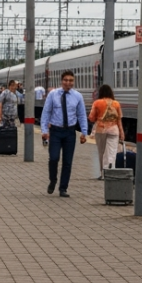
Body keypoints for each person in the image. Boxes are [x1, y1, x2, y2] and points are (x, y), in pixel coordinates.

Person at [40, 70, 89, 198]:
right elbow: (46, 113)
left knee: (67, 161)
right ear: (61, 81)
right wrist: (44, 131)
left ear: (73, 81)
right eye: (66, 80)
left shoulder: (77, 96)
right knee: (54, 158)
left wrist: (84, 132)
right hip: (55, 131)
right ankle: (53, 180)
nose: (68, 83)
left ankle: (63, 188)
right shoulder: (53, 95)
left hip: (70, 132)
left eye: (71, 80)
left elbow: (82, 115)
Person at [88, 84, 125, 171]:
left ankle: (103, 173)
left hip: (101, 130)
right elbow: (119, 120)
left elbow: (91, 118)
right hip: (114, 131)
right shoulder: (116, 104)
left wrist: (99, 117)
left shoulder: (97, 103)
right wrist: (122, 133)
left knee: (102, 152)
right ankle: (111, 171)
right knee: (112, 152)